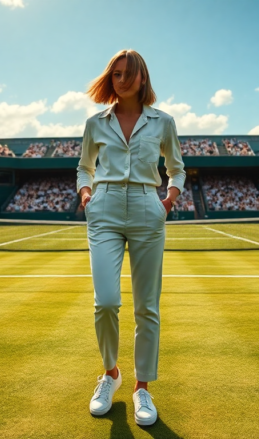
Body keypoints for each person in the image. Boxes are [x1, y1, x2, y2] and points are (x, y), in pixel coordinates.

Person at [78, 49, 185, 426]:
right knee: (106, 302)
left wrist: (167, 201)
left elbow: (176, 169)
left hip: (146, 208)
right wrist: (87, 195)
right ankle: (110, 374)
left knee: (147, 307)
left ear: (143, 78)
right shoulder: (95, 123)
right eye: (116, 74)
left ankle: (142, 387)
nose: (122, 80)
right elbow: (84, 168)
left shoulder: (163, 122)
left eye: (129, 73)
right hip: (104, 209)